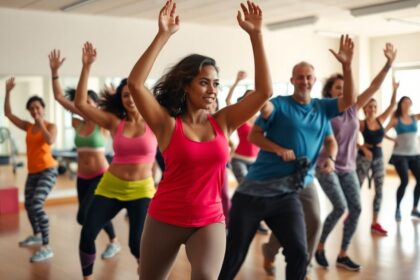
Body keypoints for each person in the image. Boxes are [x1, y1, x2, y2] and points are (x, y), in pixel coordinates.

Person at [127, 0, 272, 278]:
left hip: (209, 220)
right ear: (186, 86)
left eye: (216, 83)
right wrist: (163, 35)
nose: (212, 90)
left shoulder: (224, 122)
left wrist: (256, 35)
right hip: (165, 217)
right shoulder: (167, 125)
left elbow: (264, 92)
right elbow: (135, 84)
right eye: (204, 82)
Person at [219, 35, 357, 280]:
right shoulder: (279, 105)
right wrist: (276, 147)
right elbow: (255, 134)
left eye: (308, 77)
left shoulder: (321, 109)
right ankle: (268, 252)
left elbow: (346, 107)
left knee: (299, 252)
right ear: (292, 80)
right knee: (234, 256)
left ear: (314, 80)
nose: (304, 81)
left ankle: (296, 262)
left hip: (292, 190)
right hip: (255, 192)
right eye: (299, 77)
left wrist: (347, 65)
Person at [75, 42, 157, 279]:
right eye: (125, 95)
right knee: (88, 231)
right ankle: (87, 277)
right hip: (111, 185)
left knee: (135, 244)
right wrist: (86, 67)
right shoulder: (114, 123)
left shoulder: (155, 121)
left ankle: (148, 272)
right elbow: (81, 104)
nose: (130, 98)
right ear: (120, 99)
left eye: (133, 93)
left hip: (142, 190)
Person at [314, 43, 396, 271]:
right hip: (326, 167)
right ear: (329, 92)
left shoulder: (352, 108)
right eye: (338, 87)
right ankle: (319, 246)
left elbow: (373, 86)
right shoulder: (324, 111)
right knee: (340, 207)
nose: (342, 91)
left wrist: (389, 64)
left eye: (344, 87)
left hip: (348, 168)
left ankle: (342, 254)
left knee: (356, 208)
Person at [48, 49, 121, 259]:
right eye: (84, 102)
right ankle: (114, 241)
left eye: (91, 102)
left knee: (84, 215)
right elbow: (59, 97)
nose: (87, 105)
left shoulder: (103, 123)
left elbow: (117, 110)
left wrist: (114, 95)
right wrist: (54, 73)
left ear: (96, 106)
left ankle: (108, 241)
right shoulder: (76, 122)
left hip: (100, 174)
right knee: (85, 218)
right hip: (82, 176)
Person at [4, 77, 58, 262]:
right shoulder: (27, 127)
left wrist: (40, 122)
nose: (35, 110)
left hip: (48, 170)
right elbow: (8, 114)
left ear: (43, 108)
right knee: (28, 205)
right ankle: (36, 234)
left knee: (36, 204)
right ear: (29, 111)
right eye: (32, 108)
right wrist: (8, 92)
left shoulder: (51, 126)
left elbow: (50, 140)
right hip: (33, 172)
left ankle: (46, 245)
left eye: (38, 107)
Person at [225, 70, 268, 233]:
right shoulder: (239, 116)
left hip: (255, 162)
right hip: (239, 160)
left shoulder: (259, 119)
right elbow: (229, 100)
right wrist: (236, 81)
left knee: (255, 191)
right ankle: (236, 220)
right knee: (246, 188)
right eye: (250, 97)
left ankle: (256, 221)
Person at [356, 78, 397, 235]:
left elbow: (392, 105)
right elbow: (349, 138)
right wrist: (362, 147)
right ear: (365, 109)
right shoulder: (361, 123)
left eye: (374, 106)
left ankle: (375, 222)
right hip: (363, 157)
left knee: (379, 191)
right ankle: (351, 215)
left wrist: (394, 90)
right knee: (356, 187)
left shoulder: (380, 120)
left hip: (379, 157)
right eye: (369, 107)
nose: (372, 109)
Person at [385, 93, 420, 222]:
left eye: (409, 101)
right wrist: (393, 139)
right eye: (404, 101)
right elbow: (383, 131)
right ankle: (398, 209)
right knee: (404, 181)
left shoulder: (414, 117)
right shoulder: (396, 119)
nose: (407, 103)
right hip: (400, 155)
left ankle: (415, 209)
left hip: (415, 154)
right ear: (400, 104)